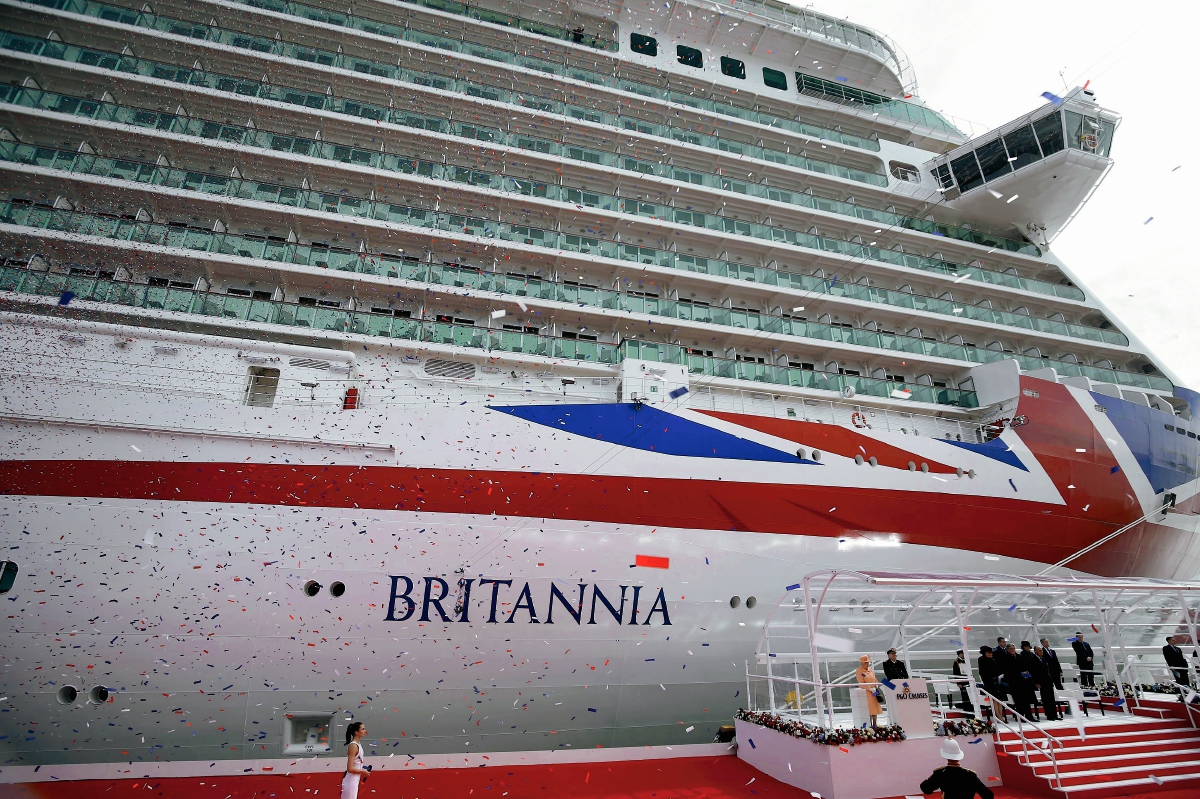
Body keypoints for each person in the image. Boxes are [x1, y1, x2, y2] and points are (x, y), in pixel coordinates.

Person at [919, 738, 994, 799]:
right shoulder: (970, 775)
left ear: (945, 756)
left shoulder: (940, 774)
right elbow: (988, 795)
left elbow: (926, 789)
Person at [341, 721, 371, 799]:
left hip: (354, 780)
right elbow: (350, 768)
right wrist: (363, 771)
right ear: (356, 732)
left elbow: (357, 763)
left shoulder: (358, 745)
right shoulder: (353, 746)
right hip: (351, 781)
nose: (365, 731)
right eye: (363, 729)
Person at [1004, 643, 1034, 720]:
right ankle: (1020, 717)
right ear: (1007, 650)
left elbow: (1026, 665)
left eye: (1013, 648)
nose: (1012, 650)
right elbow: (1008, 670)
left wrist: (1026, 671)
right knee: (1018, 701)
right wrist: (1019, 673)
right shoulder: (1006, 658)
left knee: (1026, 700)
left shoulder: (1019, 657)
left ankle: (1029, 716)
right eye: (1010, 649)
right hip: (1014, 682)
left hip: (1023, 682)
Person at [1033, 645, 1058, 720]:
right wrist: (1036, 682)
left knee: (1051, 698)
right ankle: (1049, 715)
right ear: (1035, 651)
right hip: (1041, 682)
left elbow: (1047, 670)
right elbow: (1034, 672)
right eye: (1040, 650)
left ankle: (1054, 714)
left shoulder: (1043, 659)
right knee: (1046, 698)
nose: (1041, 652)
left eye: (1042, 650)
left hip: (1048, 681)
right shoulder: (1033, 660)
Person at [977, 645, 1004, 717]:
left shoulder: (994, 659)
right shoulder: (982, 660)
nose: (990, 654)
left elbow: (998, 669)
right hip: (989, 682)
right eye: (988, 653)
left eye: (991, 653)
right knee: (994, 699)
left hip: (997, 681)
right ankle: (998, 715)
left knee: (1000, 699)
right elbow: (982, 672)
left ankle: (1000, 714)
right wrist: (989, 680)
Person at [856, 654, 882, 727]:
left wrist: (876, 684)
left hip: (874, 692)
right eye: (866, 662)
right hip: (867, 692)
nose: (867, 664)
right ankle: (869, 725)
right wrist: (869, 688)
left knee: (875, 709)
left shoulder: (870, 669)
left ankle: (875, 724)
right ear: (862, 663)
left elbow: (874, 678)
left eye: (868, 662)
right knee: (870, 709)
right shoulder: (859, 671)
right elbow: (861, 683)